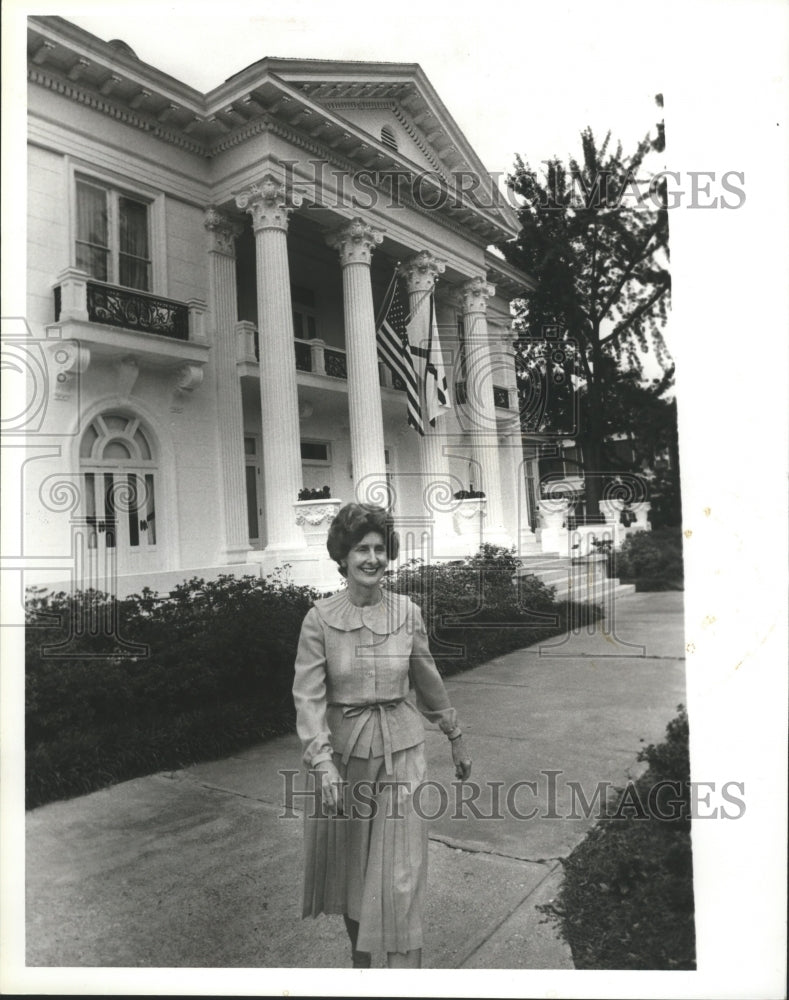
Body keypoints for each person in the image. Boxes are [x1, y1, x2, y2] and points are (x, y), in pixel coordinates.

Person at [292, 502, 472, 969]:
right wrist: (322, 763)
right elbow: (308, 697)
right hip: (345, 760)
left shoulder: (407, 612)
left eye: (379, 548)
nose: (371, 558)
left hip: (403, 751)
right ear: (343, 557)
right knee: (355, 877)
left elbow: (427, 679)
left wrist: (454, 733)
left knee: (401, 875)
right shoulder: (319, 620)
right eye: (360, 549)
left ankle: (402, 978)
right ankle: (363, 967)